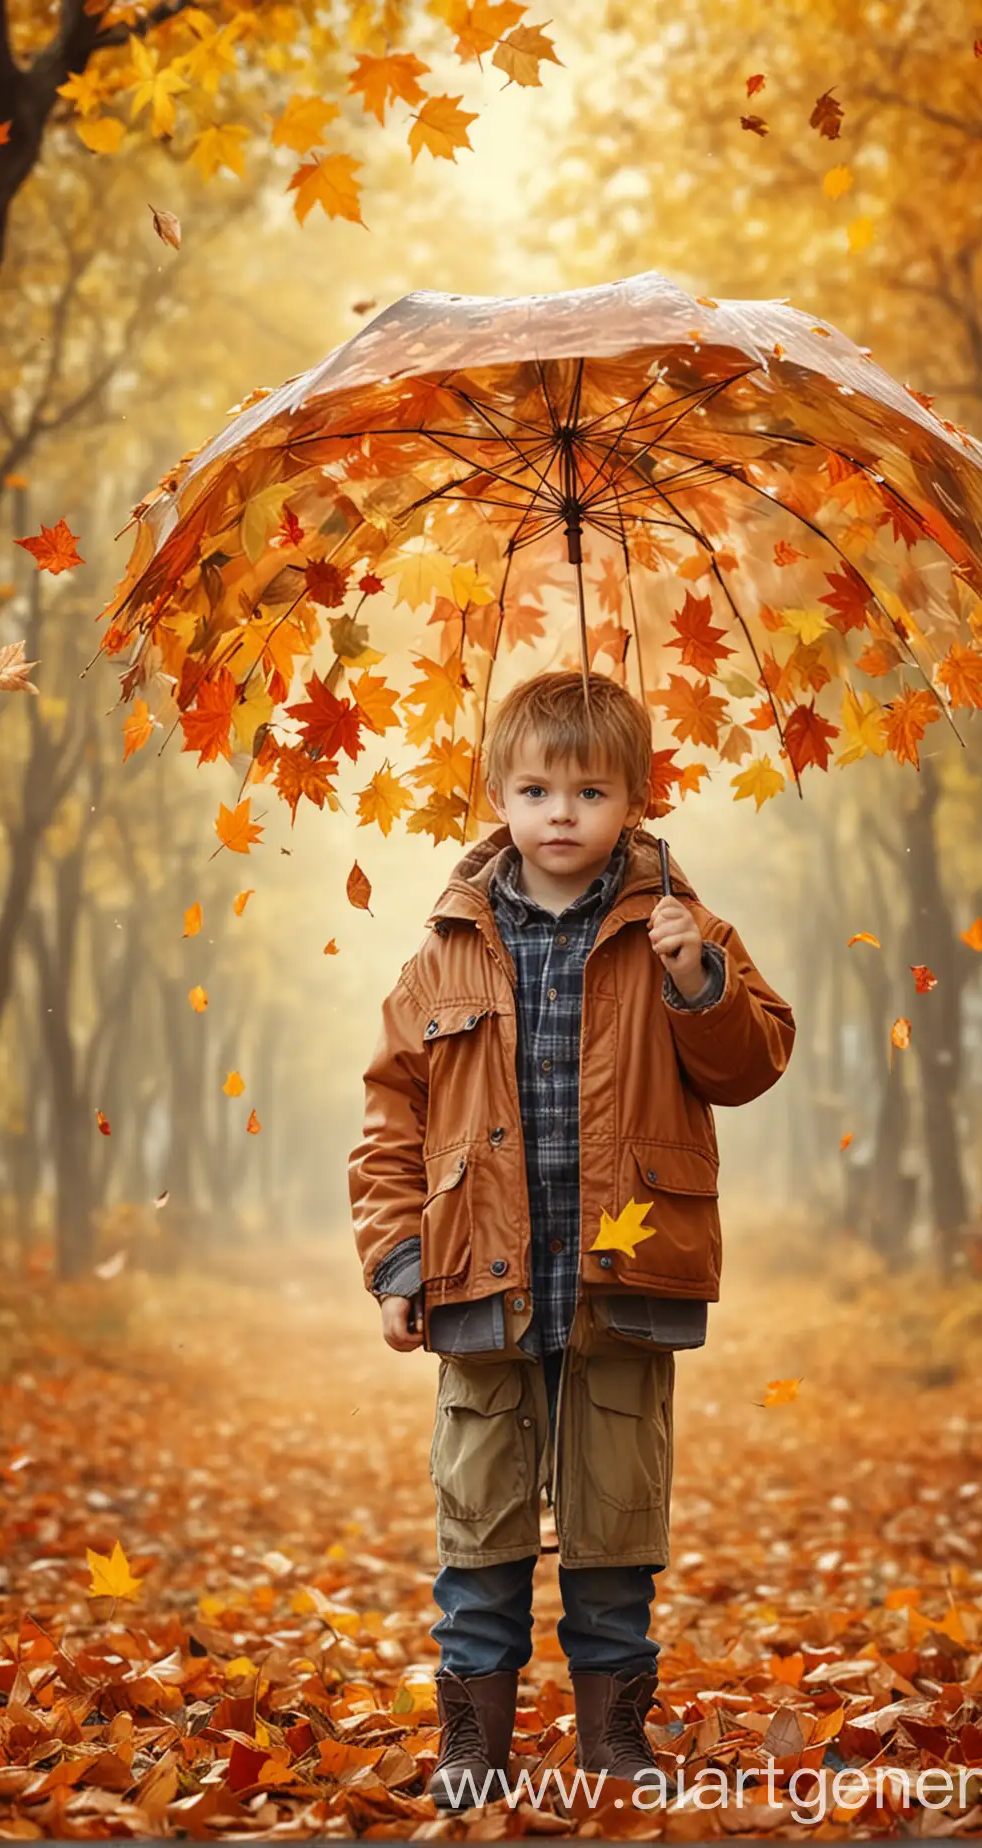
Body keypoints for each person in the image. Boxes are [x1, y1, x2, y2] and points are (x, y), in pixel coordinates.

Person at [348, 668, 795, 1810]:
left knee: (615, 1525)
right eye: (536, 787)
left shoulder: (681, 932)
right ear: (498, 794)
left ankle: (613, 1741)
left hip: (623, 1273)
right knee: (480, 1524)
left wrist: (698, 980)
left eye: (590, 791)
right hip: (479, 1280)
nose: (561, 812)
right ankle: (473, 1743)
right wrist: (398, 1263)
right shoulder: (443, 953)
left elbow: (750, 1068)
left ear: (634, 802)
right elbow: (389, 1122)